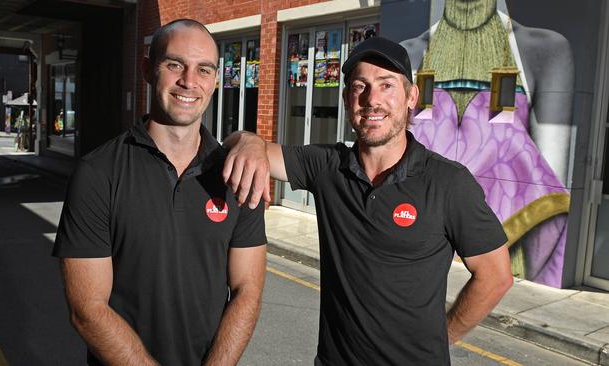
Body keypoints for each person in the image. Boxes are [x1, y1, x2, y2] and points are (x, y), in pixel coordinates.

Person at [223, 36, 513, 365]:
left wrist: (442, 336)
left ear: (411, 97)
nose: (372, 100)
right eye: (360, 86)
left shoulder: (448, 182)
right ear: (347, 98)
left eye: (387, 85)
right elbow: (251, 148)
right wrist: (246, 139)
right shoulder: (327, 166)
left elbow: (495, 275)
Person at [53, 18, 267, 366]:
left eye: (203, 69)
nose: (189, 81)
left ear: (215, 80)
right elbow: (87, 309)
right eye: (174, 65)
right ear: (148, 70)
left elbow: (247, 290)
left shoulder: (238, 175)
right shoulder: (97, 172)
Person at [400, 0, 573, 286]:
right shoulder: (410, 52)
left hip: (505, 243)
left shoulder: (543, 50)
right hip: (416, 233)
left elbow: (552, 189)